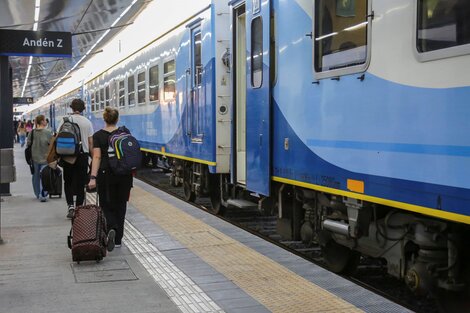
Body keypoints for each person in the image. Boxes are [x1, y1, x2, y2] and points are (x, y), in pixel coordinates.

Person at [88, 107, 133, 251]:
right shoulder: (125, 134)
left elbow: (96, 157)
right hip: (124, 175)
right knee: (121, 205)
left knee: (106, 205)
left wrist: (92, 177)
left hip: (105, 174)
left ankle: (111, 227)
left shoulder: (98, 136)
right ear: (117, 119)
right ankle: (118, 239)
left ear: (104, 119)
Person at [58, 99, 94, 219]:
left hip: (68, 155)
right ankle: (78, 208)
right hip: (82, 156)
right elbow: (90, 143)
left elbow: (58, 138)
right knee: (81, 184)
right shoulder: (87, 122)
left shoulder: (64, 120)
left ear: (71, 108)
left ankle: (70, 207)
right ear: (83, 108)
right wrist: (94, 159)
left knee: (67, 182)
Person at [26, 115, 52, 202]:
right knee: (44, 176)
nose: (46, 121)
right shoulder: (48, 132)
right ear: (41, 122)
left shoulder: (31, 133)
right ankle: (42, 194)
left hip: (34, 157)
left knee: (36, 176)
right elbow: (51, 145)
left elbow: (28, 144)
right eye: (45, 120)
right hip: (45, 158)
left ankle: (38, 193)